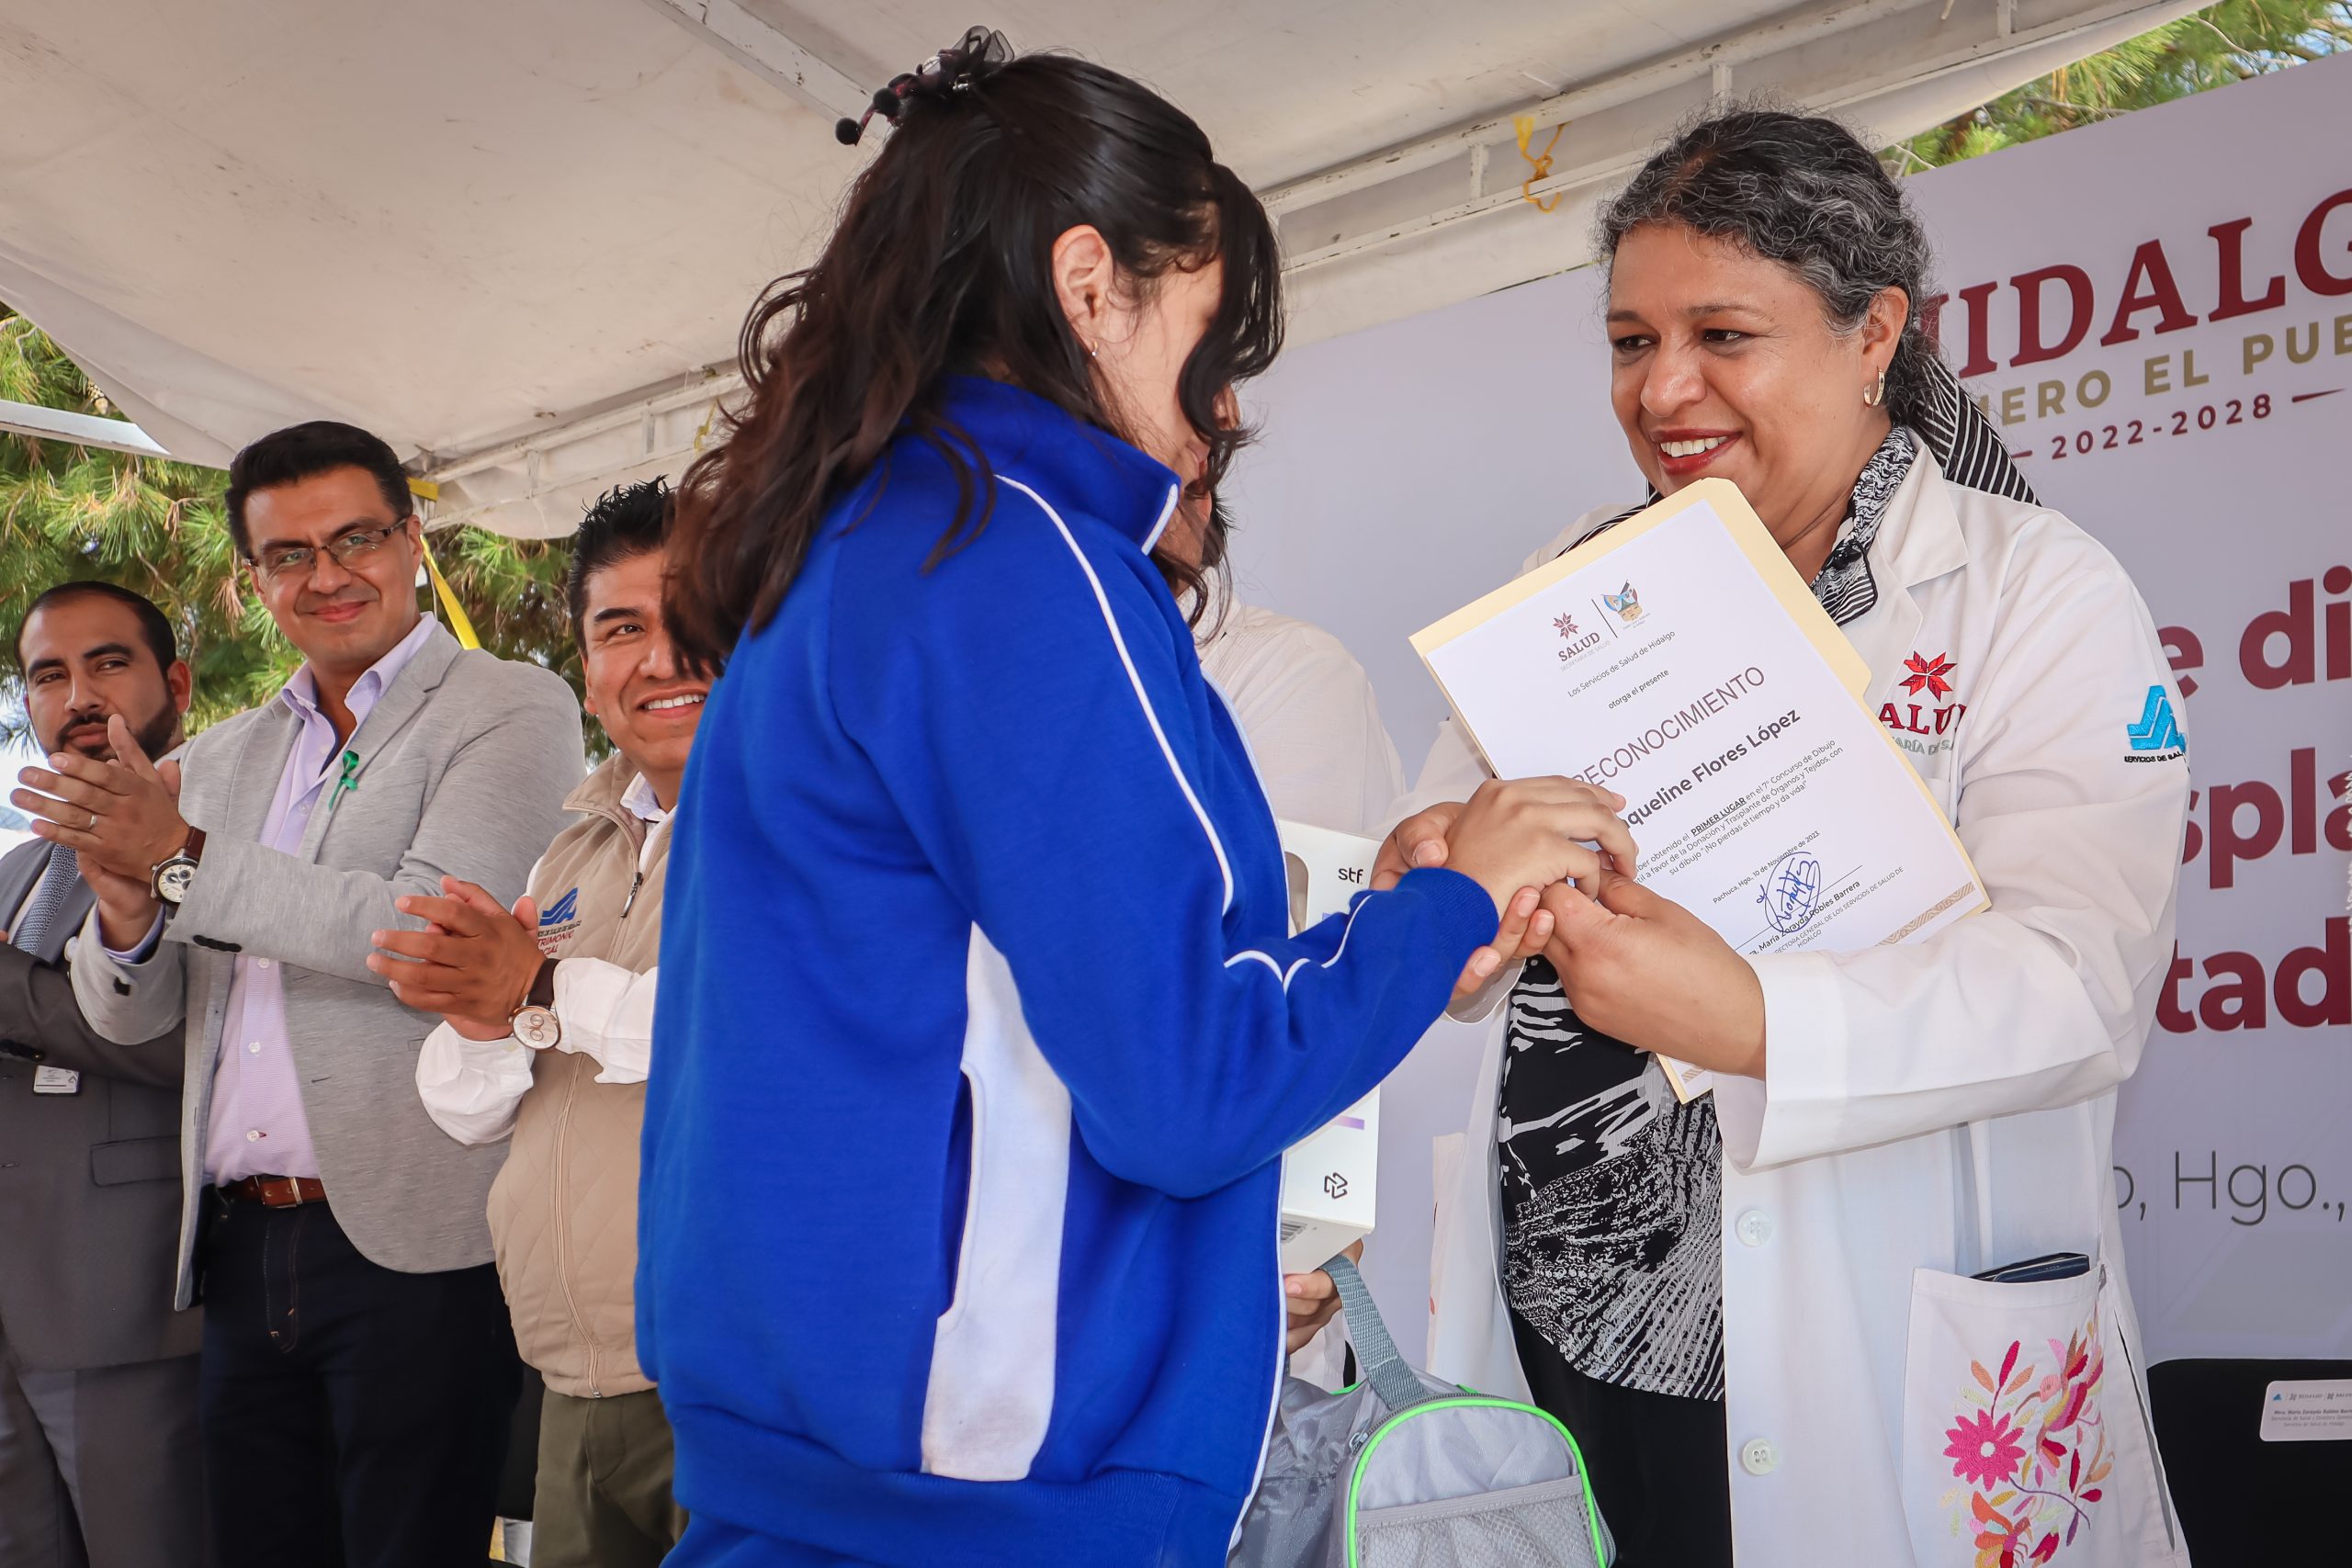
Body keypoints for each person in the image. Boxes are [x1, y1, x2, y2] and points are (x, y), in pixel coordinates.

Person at [639, 29, 1618, 1568]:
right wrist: (1439, 911)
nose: (1220, 403)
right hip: (985, 1483)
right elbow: (1184, 1087)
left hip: (850, 1462)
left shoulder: (870, 541)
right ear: (1091, 284)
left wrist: (1389, 932)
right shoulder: (1015, 559)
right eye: (1212, 335)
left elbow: (1045, 990)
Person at [1392, 108, 2194, 1566]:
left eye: (1722, 335)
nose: (1664, 389)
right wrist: (1430, 876)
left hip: (1870, 1342)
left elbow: (2081, 977)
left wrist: (1756, 1018)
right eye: (1633, 341)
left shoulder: (2031, 590)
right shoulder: (1574, 581)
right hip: (1571, 1343)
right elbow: (1451, 909)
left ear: (1874, 330)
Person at [28, 421, 583, 1568]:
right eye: (289, 555)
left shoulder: (507, 705)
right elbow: (140, 1015)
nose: (327, 576)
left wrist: (177, 860)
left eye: (357, 539)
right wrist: (126, 913)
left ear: (413, 538)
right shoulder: (223, 760)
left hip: (414, 1236)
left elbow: (424, 934)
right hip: (237, 1245)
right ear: (255, 577)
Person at [386, 477, 698, 1567]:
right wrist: (483, 1014)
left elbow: (737, 1035)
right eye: (622, 628)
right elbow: (471, 1113)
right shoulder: (574, 847)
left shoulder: (807, 823)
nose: (660, 657)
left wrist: (537, 995)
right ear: (585, 665)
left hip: (728, 1382)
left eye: (701, 612)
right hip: (570, 1377)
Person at [0, 583, 203, 1567]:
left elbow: (184, 1043)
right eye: (49, 674)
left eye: (107, 663)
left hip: (122, 1309)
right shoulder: (17, 869)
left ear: (176, 682)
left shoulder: (215, 843)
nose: (77, 693)